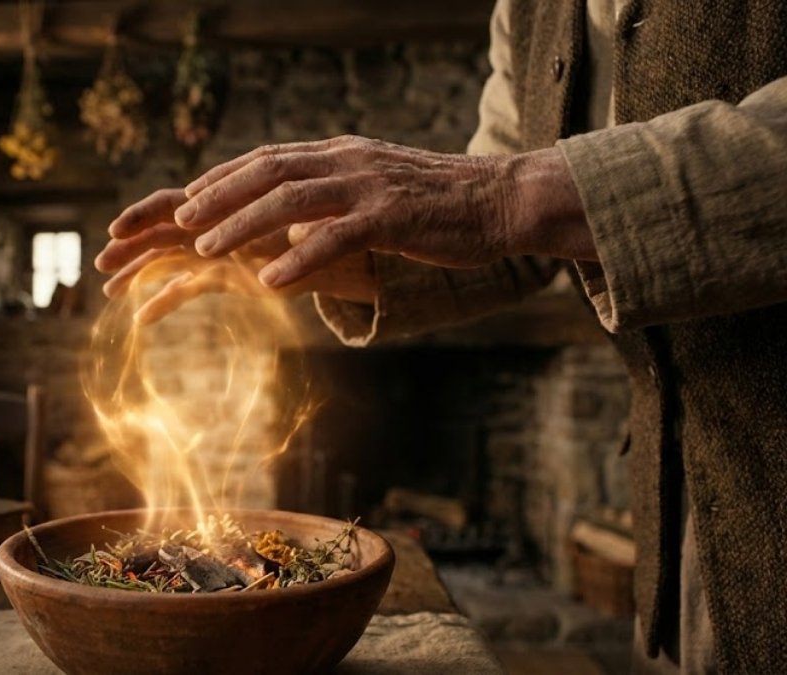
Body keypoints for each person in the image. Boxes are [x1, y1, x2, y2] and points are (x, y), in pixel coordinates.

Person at [96, 1, 787, 673]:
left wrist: (503, 193)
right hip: (674, 527)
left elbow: (509, 194)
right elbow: (514, 237)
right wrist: (347, 250)